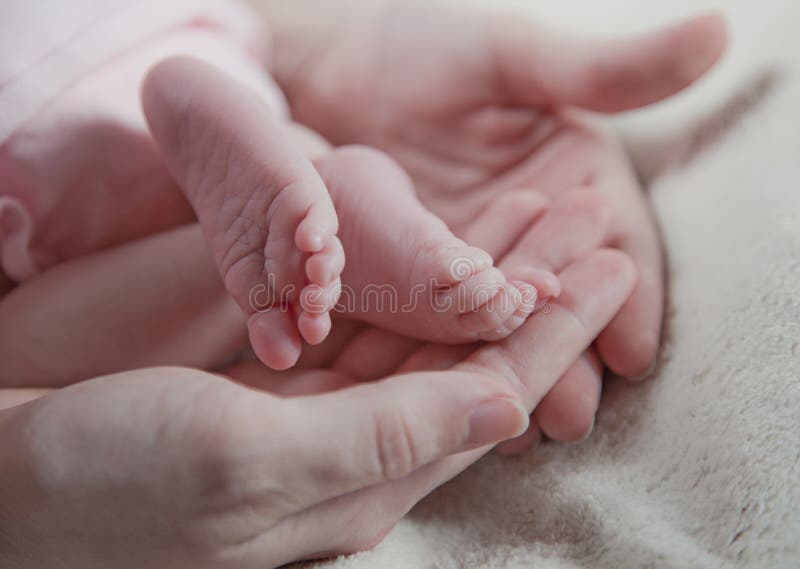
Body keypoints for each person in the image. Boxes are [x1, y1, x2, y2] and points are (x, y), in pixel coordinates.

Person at [0, 0, 727, 565]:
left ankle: (305, 207)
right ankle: (348, 213)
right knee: (283, 225)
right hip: (147, 39)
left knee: (25, 351)